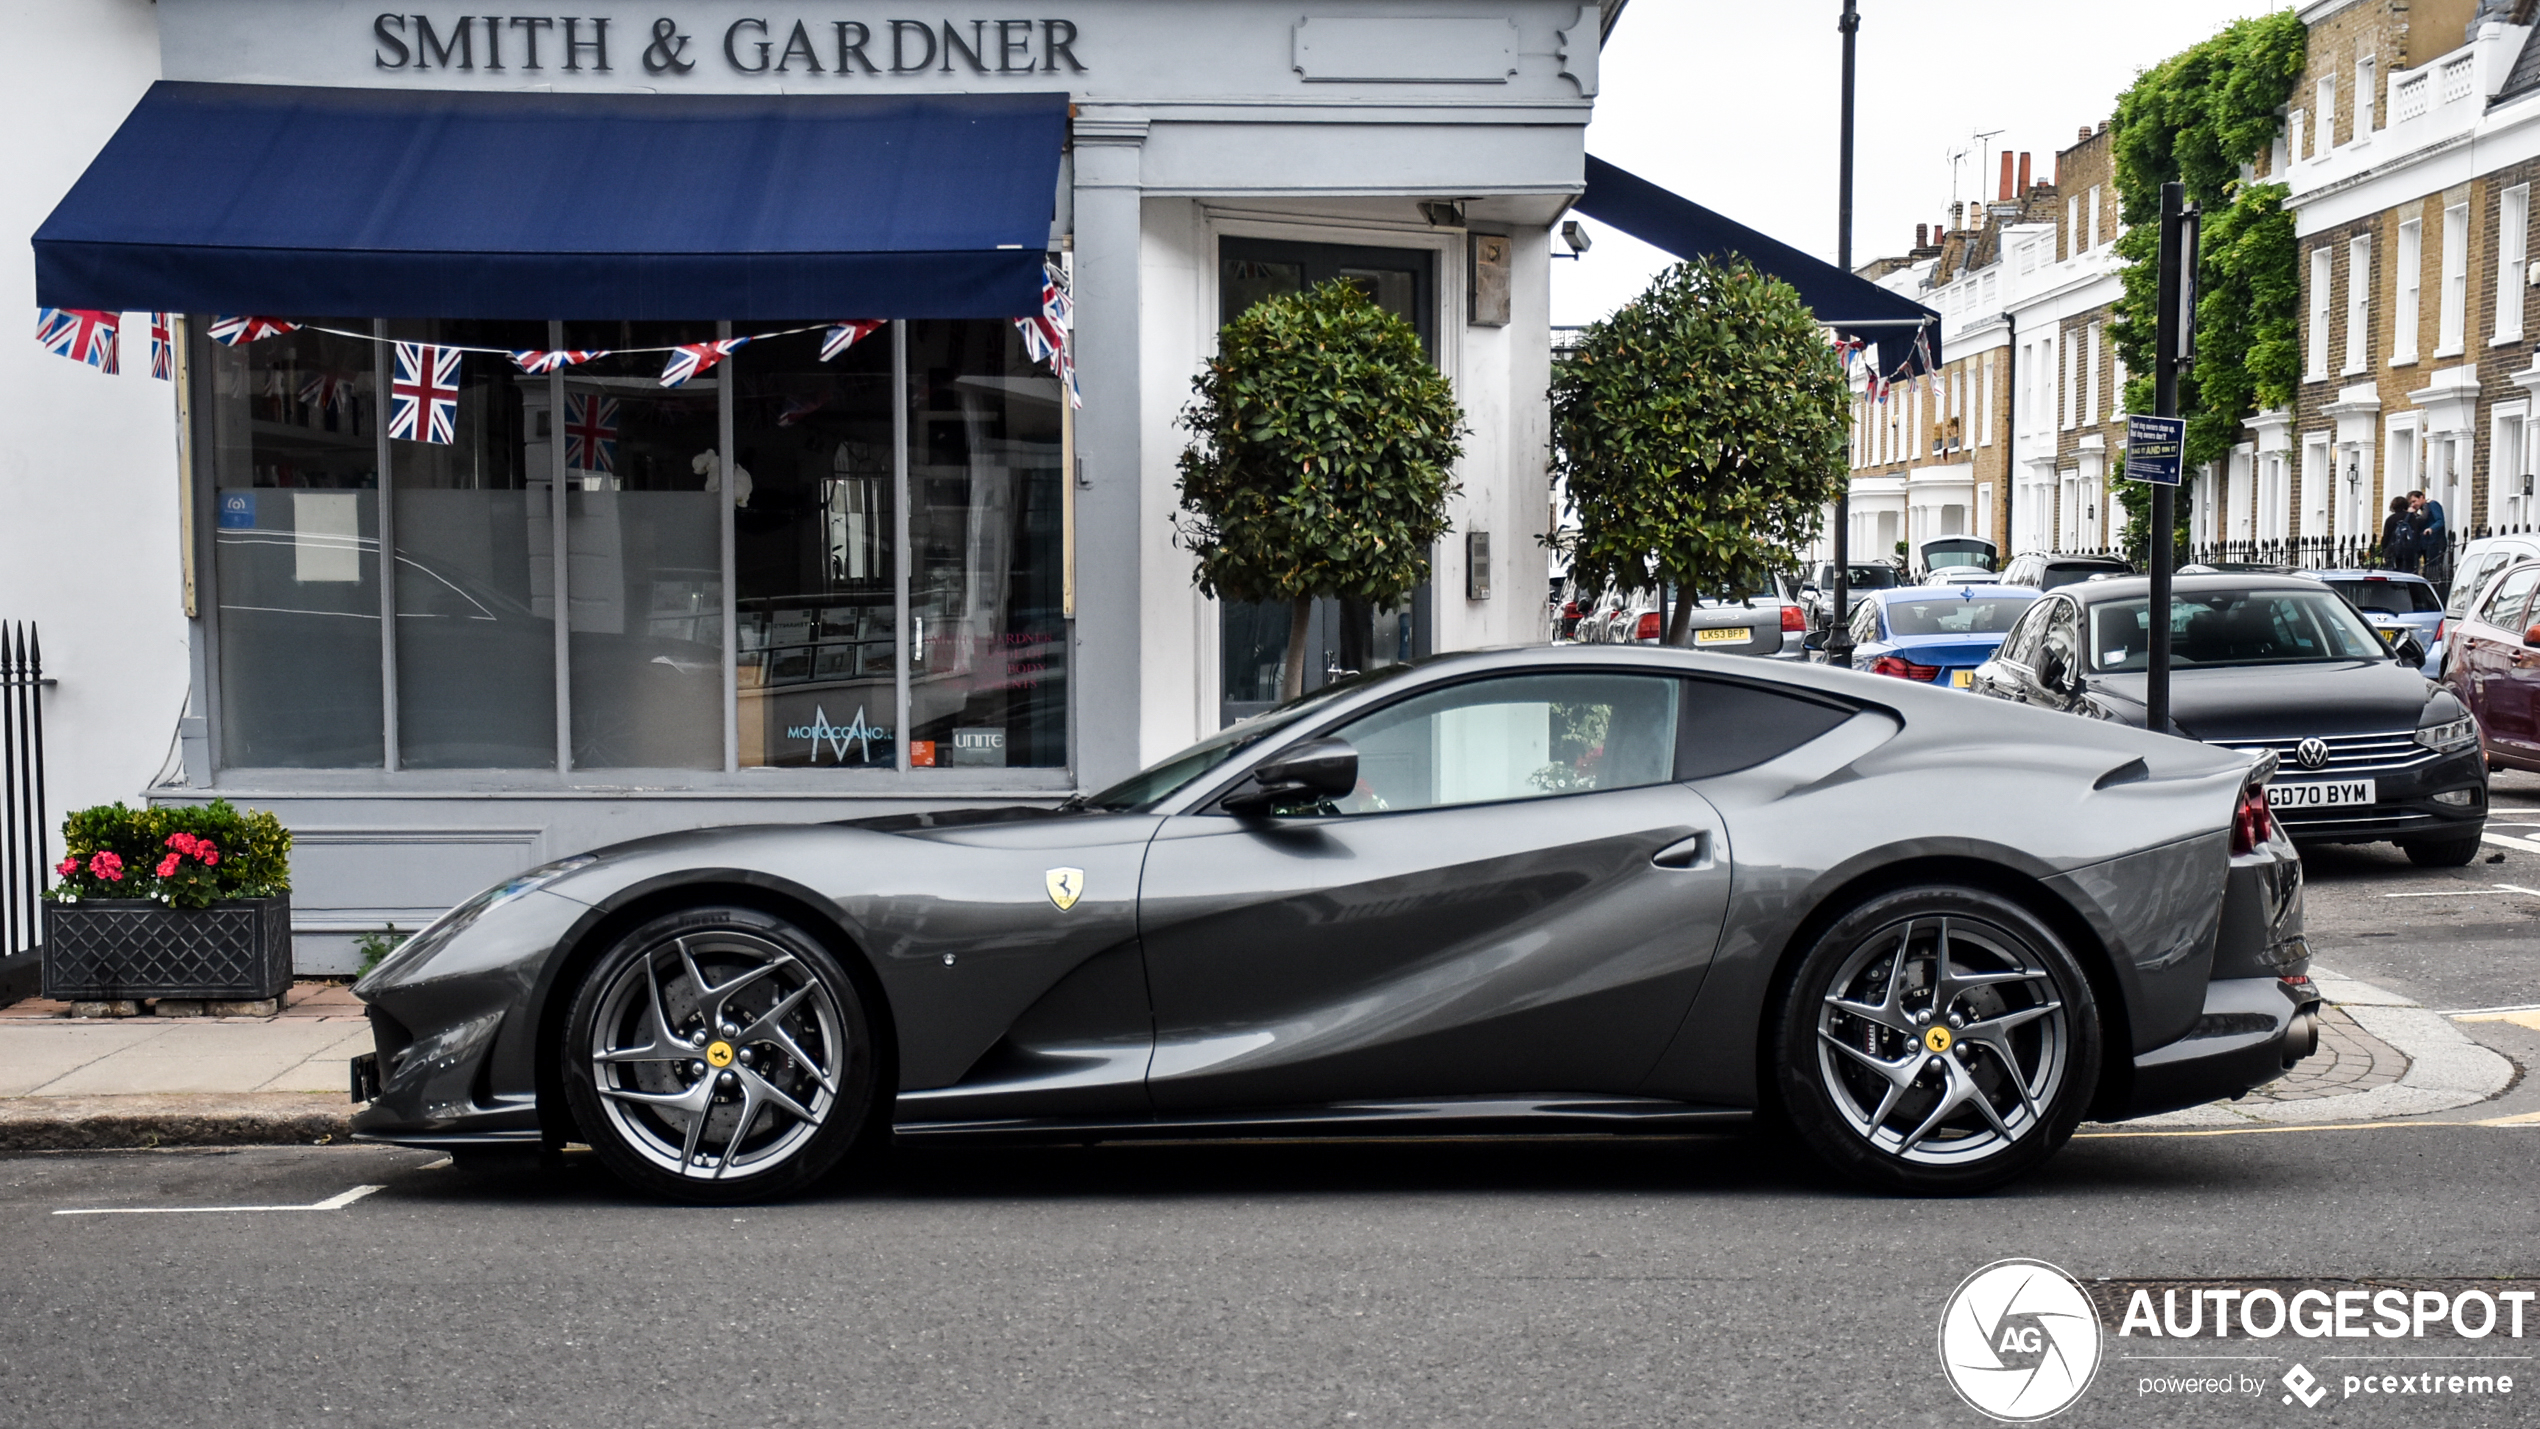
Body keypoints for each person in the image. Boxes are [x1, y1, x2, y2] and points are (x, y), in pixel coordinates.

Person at [2410, 488, 2448, 582]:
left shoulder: (2433, 505)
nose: (2413, 504)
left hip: (2435, 542)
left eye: (2414, 501)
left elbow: (2440, 520)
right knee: (2426, 568)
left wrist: (2431, 528)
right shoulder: (2423, 509)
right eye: (2411, 502)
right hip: (2426, 543)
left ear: (2422, 497)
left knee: (2433, 568)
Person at [2380, 495, 2422, 574]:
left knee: (2394, 574)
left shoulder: (2390, 519)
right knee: (2410, 574)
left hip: (2394, 552)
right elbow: (2416, 534)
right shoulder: (2412, 518)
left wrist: (2384, 550)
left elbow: (2386, 536)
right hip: (2409, 552)